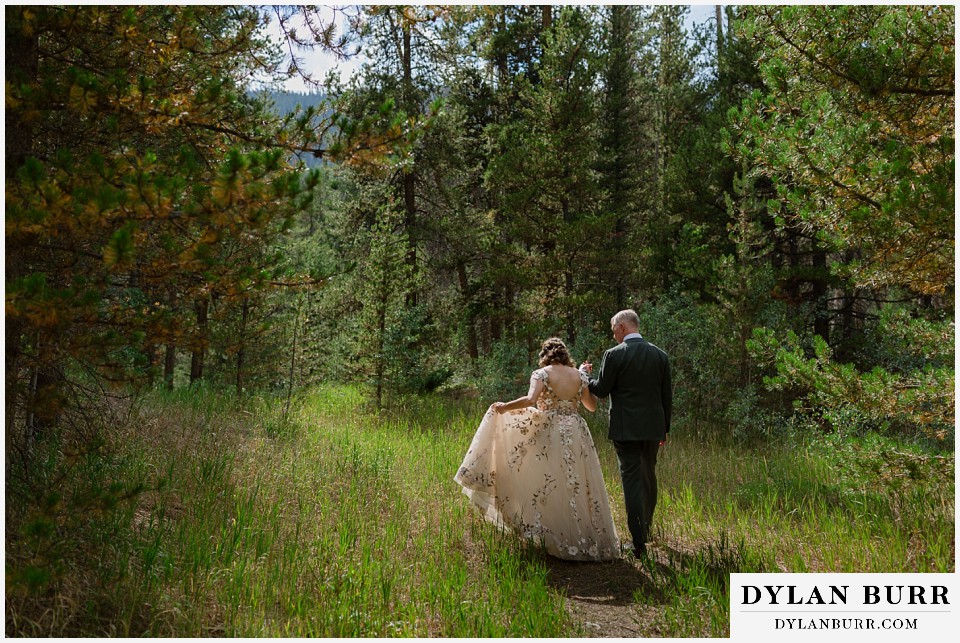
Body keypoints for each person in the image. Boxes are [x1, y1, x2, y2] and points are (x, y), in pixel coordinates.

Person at [454, 338, 620, 561]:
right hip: (575, 431)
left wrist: (504, 408)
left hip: (550, 431)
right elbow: (590, 407)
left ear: (545, 355)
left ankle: (555, 535)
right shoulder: (579, 376)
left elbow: (530, 400)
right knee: (578, 482)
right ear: (565, 355)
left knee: (547, 481)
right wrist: (582, 380)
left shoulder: (541, 374)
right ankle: (582, 538)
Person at [580, 309, 672, 558]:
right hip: (653, 429)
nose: (613, 336)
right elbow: (666, 396)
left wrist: (584, 377)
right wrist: (664, 429)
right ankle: (647, 530)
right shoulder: (660, 355)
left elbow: (600, 390)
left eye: (613, 330)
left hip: (625, 428)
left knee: (631, 481)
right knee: (648, 478)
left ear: (621, 327)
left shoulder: (614, 355)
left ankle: (639, 542)